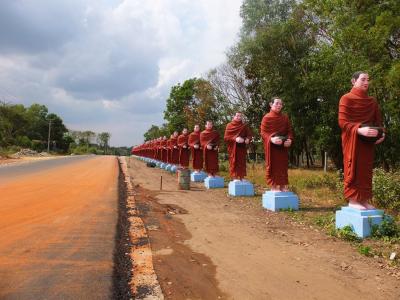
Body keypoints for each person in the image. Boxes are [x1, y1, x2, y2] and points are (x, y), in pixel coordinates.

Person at [338, 71, 385, 210]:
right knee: (354, 168)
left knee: (366, 170)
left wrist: (381, 134)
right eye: (363, 79)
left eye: (368, 80)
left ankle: (363, 199)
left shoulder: (372, 101)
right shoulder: (346, 98)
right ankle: (353, 200)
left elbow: (378, 123)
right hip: (353, 141)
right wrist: (358, 129)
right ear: (353, 81)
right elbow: (342, 122)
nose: (366, 82)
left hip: (367, 143)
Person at [260, 97, 294, 192]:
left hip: (283, 147)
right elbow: (263, 133)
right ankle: (274, 186)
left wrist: (290, 140)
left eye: (281, 104)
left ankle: (283, 186)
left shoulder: (285, 117)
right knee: (273, 166)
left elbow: (289, 131)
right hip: (272, 148)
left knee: (283, 167)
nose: (279, 105)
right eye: (277, 103)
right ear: (271, 104)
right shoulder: (266, 118)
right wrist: (271, 139)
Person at [224, 112, 253, 180]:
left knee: (241, 163)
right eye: (237, 116)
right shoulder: (229, 125)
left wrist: (247, 139)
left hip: (241, 148)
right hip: (233, 148)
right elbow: (226, 137)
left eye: (240, 116)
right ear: (233, 117)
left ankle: (241, 177)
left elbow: (249, 135)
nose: (238, 117)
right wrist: (235, 139)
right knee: (234, 162)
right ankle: (235, 178)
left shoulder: (244, 126)